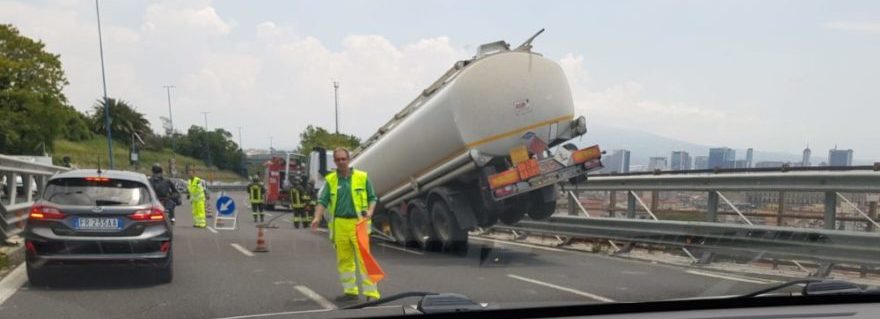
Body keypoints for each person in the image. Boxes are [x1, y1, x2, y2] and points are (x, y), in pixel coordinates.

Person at [311, 147, 380, 302]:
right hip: (340, 224)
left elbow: (372, 197)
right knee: (344, 260)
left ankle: (372, 293)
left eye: (344, 159)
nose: (341, 162)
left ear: (349, 159)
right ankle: (350, 291)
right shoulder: (331, 180)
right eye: (338, 159)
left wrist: (370, 211)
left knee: (365, 259)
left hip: (359, 223)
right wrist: (317, 217)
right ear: (334, 162)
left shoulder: (362, 177)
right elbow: (322, 201)